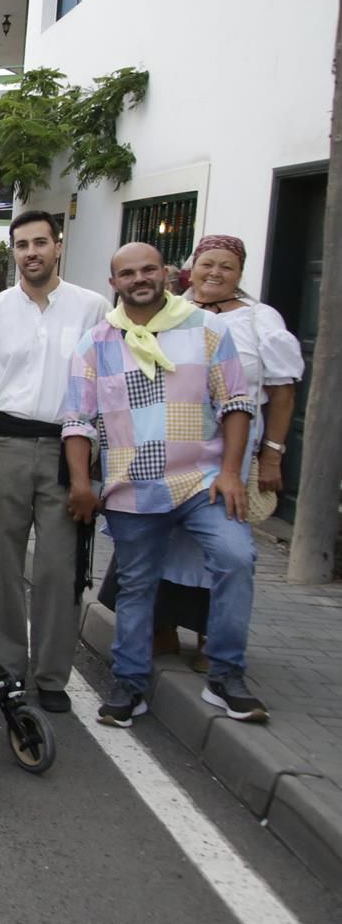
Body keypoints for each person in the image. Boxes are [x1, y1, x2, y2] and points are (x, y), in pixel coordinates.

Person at [64, 243, 263, 727]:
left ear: (167, 274)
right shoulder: (96, 342)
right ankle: (129, 685)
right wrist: (81, 484)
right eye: (128, 273)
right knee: (136, 587)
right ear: (114, 283)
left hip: (204, 482)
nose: (139, 278)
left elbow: (236, 402)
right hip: (132, 488)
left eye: (148, 269)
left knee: (236, 558)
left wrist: (232, 472)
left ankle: (226, 676)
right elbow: (78, 421)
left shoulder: (208, 328)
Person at [126, 235, 303, 661]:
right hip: (169, 449)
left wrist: (272, 454)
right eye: (207, 264)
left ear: (240, 273)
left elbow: (282, 393)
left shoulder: (259, 320)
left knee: (220, 545)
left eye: (226, 266)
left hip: (230, 454)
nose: (215, 273)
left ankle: (212, 639)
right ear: (193, 269)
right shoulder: (171, 310)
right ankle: (163, 629)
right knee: (166, 540)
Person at [0, 209, 110, 714]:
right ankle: (4, 666)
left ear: (58, 246)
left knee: (58, 568)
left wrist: (91, 467)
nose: (31, 252)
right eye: (22, 244)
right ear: (14, 251)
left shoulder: (92, 307)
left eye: (40, 243)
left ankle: (51, 675)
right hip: (4, 443)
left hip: (68, 448)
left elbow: (103, 384)